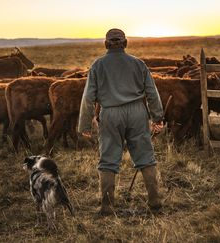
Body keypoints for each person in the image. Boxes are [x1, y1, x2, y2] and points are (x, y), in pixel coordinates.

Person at [78, 28, 164, 215]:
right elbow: (152, 92)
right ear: (125, 43)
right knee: (145, 157)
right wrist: (157, 117)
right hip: (137, 113)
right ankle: (155, 200)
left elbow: (88, 98)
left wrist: (85, 125)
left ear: (106, 44)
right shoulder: (138, 64)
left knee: (108, 159)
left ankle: (107, 206)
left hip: (110, 113)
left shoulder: (97, 65)